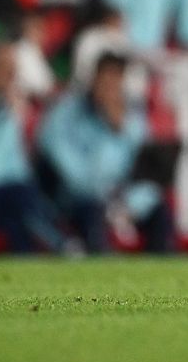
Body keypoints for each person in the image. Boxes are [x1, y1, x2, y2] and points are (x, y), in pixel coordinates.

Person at [36, 51, 174, 252]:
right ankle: (100, 273)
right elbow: (75, 177)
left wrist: (133, 205)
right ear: (93, 79)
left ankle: (164, 278)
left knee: (160, 213)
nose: (111, 87)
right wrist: (109, 129)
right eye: (106, 79)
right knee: (91, 211)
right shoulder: (65, 114)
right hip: (76, 199)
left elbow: (145, 171)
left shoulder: (132, 117)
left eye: (117, 79)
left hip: (122, 200)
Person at [0, 30, 62, 252]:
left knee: (17, 218)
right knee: (19, 198)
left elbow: (17, 167)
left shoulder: (7, 113)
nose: (14, 77)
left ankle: (30, 271)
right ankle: (65, 245)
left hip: (6, 199)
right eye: (8, 70)